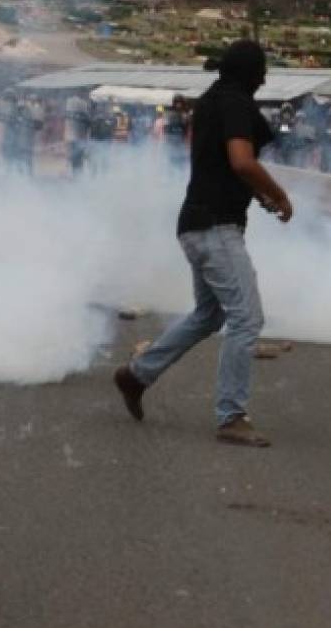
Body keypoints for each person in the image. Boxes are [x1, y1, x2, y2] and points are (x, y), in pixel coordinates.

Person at [112, 40, 293, 447]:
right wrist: (279, 194)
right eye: (261, 71)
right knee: (246, 318)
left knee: (209, 316)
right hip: (214, 228)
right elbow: (241, 161)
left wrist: (259, 196)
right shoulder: (233, 104)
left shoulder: (214, 99)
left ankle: (136, 375)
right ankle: (231, 416)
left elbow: (226, 167)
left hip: (196, 225)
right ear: (250, 72)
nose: (264, 79)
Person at [65, 91, 90, 174]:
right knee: (77, 158)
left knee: (76, 157)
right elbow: (88, 125)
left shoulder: (70, 113)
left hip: (75, 138)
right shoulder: (83, 115)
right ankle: (77, 173)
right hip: (78, 138)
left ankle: (76, 173)